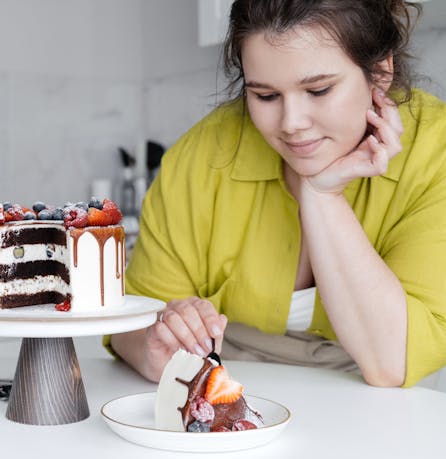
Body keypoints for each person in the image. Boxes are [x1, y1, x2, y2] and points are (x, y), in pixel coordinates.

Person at [106, 0, 446, 388]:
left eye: (318, 90)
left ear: (380, 74)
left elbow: (391, 363)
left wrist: (323, 194)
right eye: (266, 96)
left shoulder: (436, 152)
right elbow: (131, 324)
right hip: (225, 393)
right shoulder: (203, 154)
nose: (292, 124)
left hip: (382, 404)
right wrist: (156, 347)